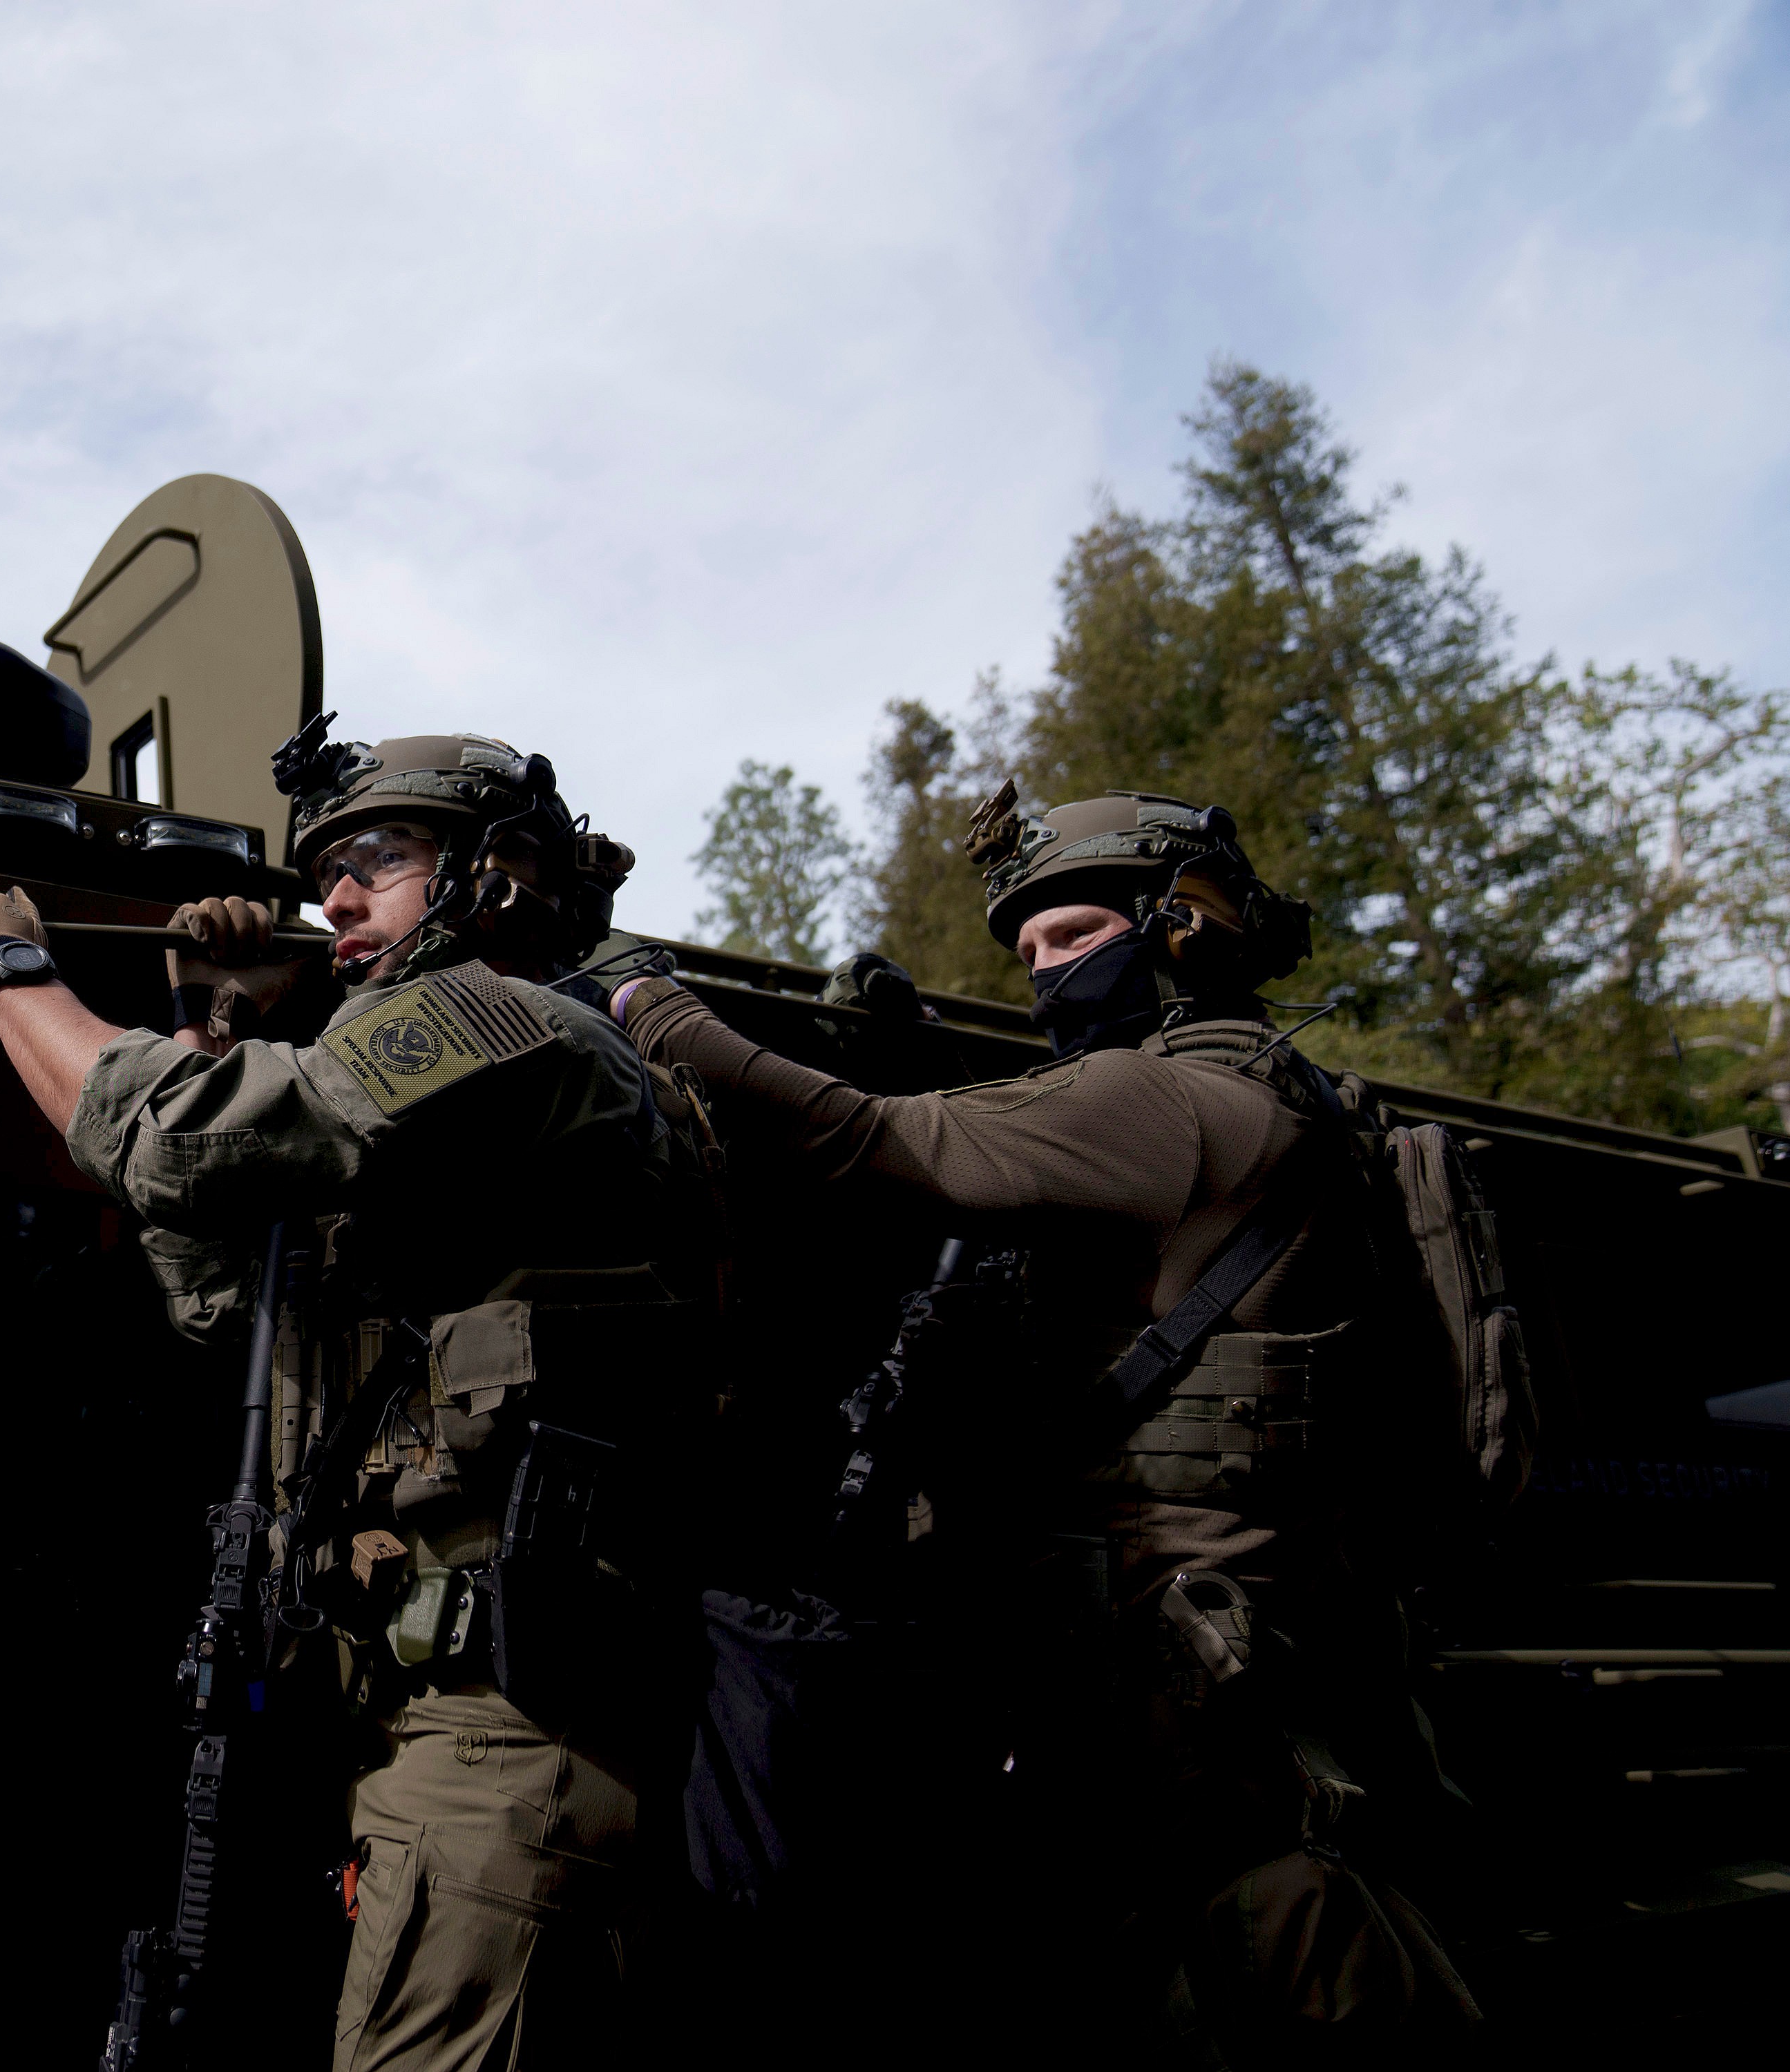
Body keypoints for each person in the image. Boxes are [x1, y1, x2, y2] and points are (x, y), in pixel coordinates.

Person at [612, 785, 1481, 2061]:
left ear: (1184, 925)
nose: (1043, 978)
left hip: (1180, 1665)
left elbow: (862, 1141)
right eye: (1024, 954)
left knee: (1248, 1957)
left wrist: (650, 1003)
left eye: (1070, 936)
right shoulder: (1301, 1100)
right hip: (1278, 1628)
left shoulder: (1172, 1103)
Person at [0, 727, 712, 2070]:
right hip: (411, 1722)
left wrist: (3, 969)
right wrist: (214, 1017)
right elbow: (227, 1291)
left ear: (498, 878)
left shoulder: (507, 1017)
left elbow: (177, 1144)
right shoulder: (435, 1102)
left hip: (512, 1733)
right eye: (324, 870)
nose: (332, 898)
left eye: (377, 862)